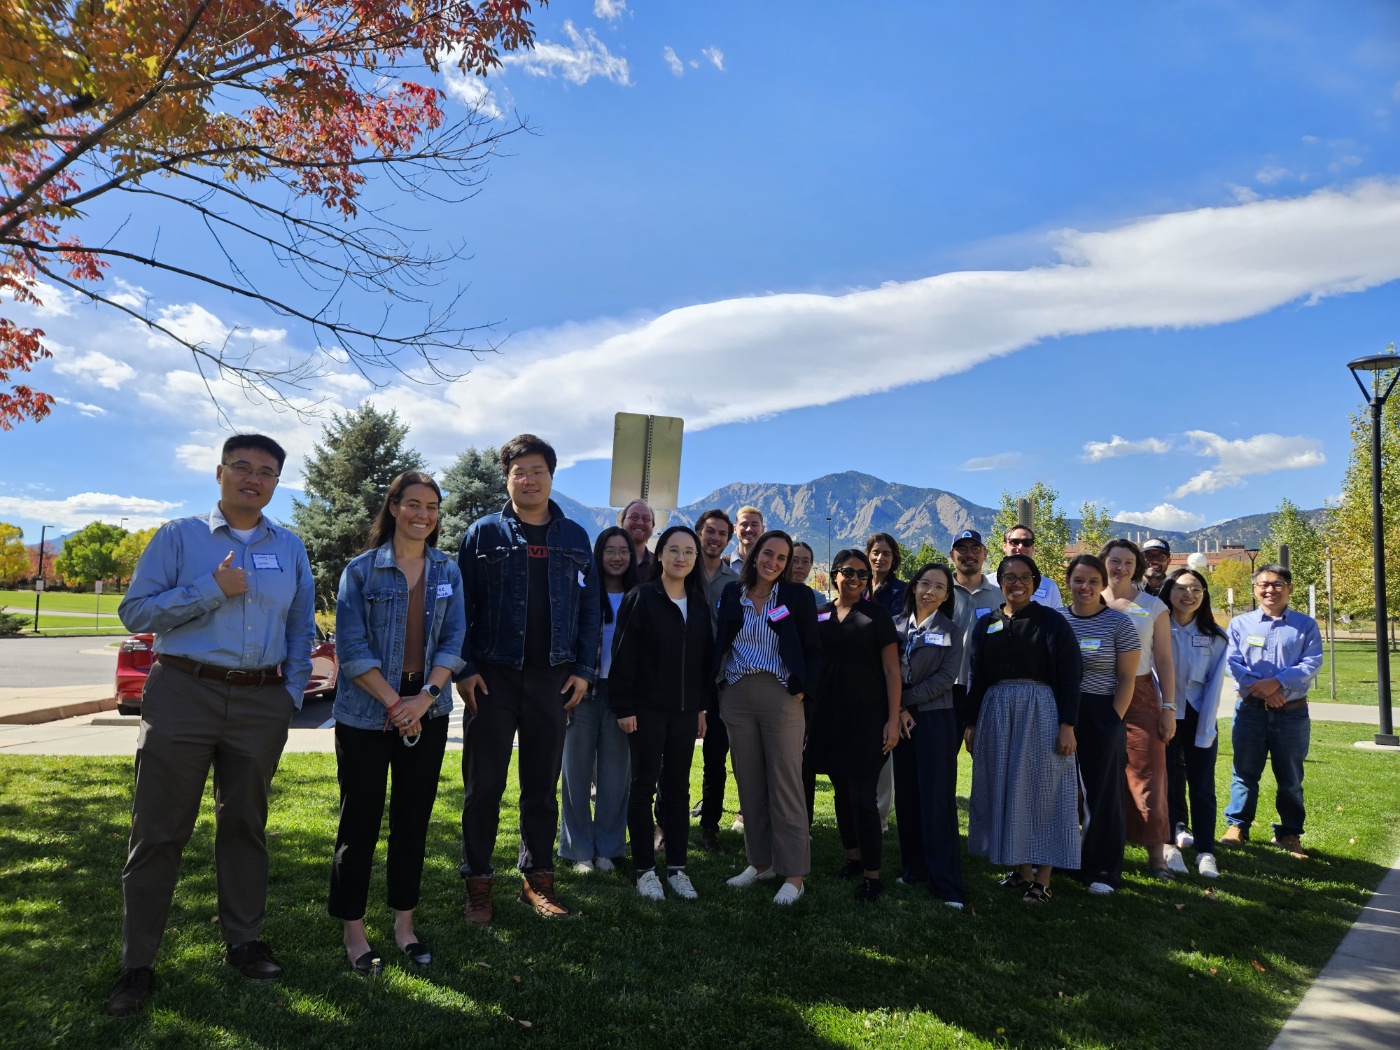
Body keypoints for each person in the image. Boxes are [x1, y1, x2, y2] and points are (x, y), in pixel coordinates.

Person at [106, 434, 315, 1017]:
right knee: (159, 829)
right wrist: (208, 591)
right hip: (183, 692)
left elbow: (301, 626)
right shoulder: (179, 536)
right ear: (219, 473)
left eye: (266, 472)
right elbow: (135, 611)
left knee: (245, 825)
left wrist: (290, 694)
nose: (253, 478)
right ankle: (138, 963)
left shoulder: (289, 547)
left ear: (276, 483)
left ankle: (244, 943)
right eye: (242, 467)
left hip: (261, 701)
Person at [455, 434, 601, 925]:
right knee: (483, 788)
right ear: (507, 478)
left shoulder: (575, 537)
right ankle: (478, 885)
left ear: (551, 476)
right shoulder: (482, 534)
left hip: (552, 682)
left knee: (540, 789)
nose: (529, 479)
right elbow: (461, 608)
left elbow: (589, 612)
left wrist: (583, 672)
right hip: (492, 680)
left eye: (538, 470)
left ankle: (537, 882)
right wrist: (465, 668)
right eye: (520, 472)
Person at [329, 471, 465, 973]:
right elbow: (351, 648)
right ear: (393, 507)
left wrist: (424, 699)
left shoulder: (448, 570)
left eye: (431, 506)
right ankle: (354, 933)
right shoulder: (361, 571)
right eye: (412, 504)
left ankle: (404, 927)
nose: (422, 515)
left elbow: (454, 640)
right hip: (367, 713)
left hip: (427, 711)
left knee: (413, 823)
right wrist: (395, 704)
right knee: (359, 823)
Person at [966, 553, 1082, 904]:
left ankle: (1043, 878)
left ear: (1035, 582)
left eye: (1024, 577)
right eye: (1009, 577)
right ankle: (1022, 869)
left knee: (1044, 791)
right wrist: (971, 722)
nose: (1017, 584)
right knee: (1006, 787)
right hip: (996, 713)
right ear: (999, 582)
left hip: (1040, 711)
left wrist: (1067, 725)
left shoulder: (1051, 621)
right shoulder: (987, 623)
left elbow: (1070, 675)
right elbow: (976, 674)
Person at [714, 529, 821, 904]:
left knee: (786, 784)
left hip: (781, 695)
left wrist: (803, 688)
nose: (773, 562)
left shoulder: (797, 596)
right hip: (737, 693)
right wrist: (720, 683)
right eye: (768, 554)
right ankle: (760, 864)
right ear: (755, 553)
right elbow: (722, 639)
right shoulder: (734, 593)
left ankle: (794, 874)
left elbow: (813, 647)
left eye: (781, 558)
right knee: (749, 783)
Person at [610, 526, 715, 900]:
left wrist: (701, 707)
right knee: (643, 786)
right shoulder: (641, 597)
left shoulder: (699, 604)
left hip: (685, 713)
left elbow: (703, 660)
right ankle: (644, 871)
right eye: (674, 550)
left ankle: (676, 869)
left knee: (678, 789)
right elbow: (623, 655)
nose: (681, 557)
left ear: (695, 559)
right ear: (660, 555)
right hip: (646, 711)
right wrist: (624, 707)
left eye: (689, 551)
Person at [808, 549, 902, 902]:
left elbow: (892, 671)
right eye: (848, 572)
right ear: (834, 574)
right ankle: (852, 859)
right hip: (828, 719)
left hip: (868, 720)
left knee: (863, 798)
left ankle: (872, 877)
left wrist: (892, 720)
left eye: (863, 575)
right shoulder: (819, 614)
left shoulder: (877, 615)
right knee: (842, 794)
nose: (856, 579)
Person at [1220, 565, 1322, 859]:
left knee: (1290, 778)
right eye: (1263, 584)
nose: (1270, 590)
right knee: (1244, 772)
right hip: (1250, 711)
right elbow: (1231, 662)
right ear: (1254, 589)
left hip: (1292, 714)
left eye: (1277, 584)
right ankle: (1237, 826)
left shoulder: (1305, 625)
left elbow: (1311, 662)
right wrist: (1262, 689)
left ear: (1289, 588)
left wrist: (1277, 682)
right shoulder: (1240, 624)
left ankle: (1289, 834)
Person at [1059, 554, 1140, 895]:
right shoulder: (1057, 620)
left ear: (1103, 585)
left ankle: (1101, 871)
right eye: (1079, 580)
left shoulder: (1119, 624)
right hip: (1061, 712)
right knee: (1059, 790)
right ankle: (1060, 858)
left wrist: (1112, 719)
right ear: (1068, 582)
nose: (1085, 587)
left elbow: (1127, 678)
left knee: (1101, 793)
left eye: (1093, 581)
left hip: (1102, 711)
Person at [559, 527, 638, 873]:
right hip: (582, 692)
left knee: (615, 776)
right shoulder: (582, 593)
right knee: (575, 774)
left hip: (622, 698)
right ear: (598, 554)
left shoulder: (640, 595)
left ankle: (608, 848)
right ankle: (578, 851)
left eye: (623, 551)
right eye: (610, 550)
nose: (617, 557)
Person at [1100, 539, 1178, 880]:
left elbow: (1164, 661)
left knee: (1148, 775)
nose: (1121, 568)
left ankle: (1156, 856)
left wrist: (1168, 707)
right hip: (1096, 693)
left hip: (1141, 695)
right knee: (1093, 775)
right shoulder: (1089, 598)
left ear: (1137, 567)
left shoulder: (1153, 606)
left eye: (1128, 562)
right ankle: (1095, 847)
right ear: (1103, 562)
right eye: (1115, 561)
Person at [894, 563, 966, 907]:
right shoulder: (894, 626)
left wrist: (903, 700)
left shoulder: (952, 630)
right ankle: (915, 869)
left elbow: (944, 680)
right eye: (925, 583)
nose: (930, 591)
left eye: (939, 587)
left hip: (936, 720)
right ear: (913, 586)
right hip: (901, 720)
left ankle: (945, 882)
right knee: (907, 796)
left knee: (937, 800)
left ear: (946, 595)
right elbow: (885, 671)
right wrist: (898, 709)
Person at [1161, 567, 1229, 878]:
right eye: (1181, 588)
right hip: (1163, 714)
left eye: (1196, 590)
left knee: (1202, 786)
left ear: (1204, 596)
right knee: (1164, 784)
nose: (1188, 595)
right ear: (1169, 592)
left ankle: (1205, 851)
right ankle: (1168, 845)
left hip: (1199, 715)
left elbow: (1214, 686)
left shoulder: (1215, 636)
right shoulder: (1157, 629)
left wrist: (1206, 727)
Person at [694, 508, 739, 852]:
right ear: (699, 532)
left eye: (722, 533)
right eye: (710, 531)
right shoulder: (682, 569)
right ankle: (663, 826)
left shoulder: (734, 583)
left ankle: (709, 828)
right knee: (671, 757)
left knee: (715, 758)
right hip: (682, 675)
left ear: (728, 540)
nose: (715, 538)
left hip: (719, 679)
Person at [997, 525, 1063, 608]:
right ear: (1004, 546)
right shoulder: (989, 585)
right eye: (1014, 542)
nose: (1020, 547)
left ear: (1032, 547)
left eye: (1027, 542)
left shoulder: (1050, 586)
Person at [866, 533, 907, 617]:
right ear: (868, 555)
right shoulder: (860, 585)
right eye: (876, 553)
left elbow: (896, 622)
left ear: (893, 559)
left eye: (886, 554)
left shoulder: (901, 590)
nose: (880, 558)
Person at [621, 499, 656, 573]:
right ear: (622, 523)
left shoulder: (658, 565)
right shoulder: (607, 561)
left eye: (646, 518)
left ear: (652, 526)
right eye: (634, 516)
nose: (640, 522)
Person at [728, 506, 764, 573]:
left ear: (763, 529)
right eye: (744, 524)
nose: (749, 529)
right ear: (735, 529)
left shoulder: (770, 565)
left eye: (754, 525)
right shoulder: (723, 565)